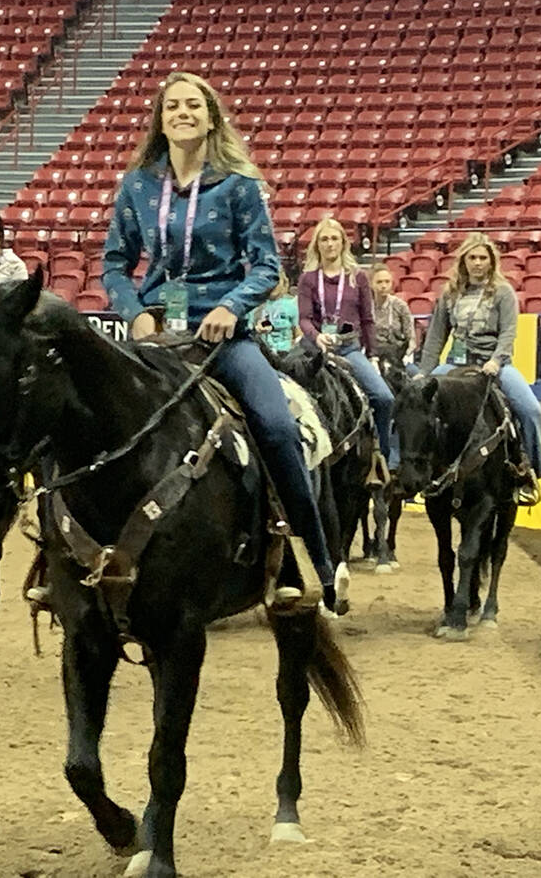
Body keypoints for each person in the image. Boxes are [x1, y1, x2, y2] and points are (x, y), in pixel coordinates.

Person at [101, 70, 347, 614]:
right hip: (159, 335)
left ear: (211, 117)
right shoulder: (137, 185)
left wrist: (229, 307)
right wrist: (135, 313)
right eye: (172, 107)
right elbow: (114, 265)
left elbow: (265, 266)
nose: (182, 113)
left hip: (223, 336)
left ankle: (316, 562)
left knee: (278, 428)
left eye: (193, 105)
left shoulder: (239, 186)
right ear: (159, 121)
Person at [417, 231, 541, 506]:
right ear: (463, 261)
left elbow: (509, 332)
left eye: (482, 258)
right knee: (417, 405)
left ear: (491, 261)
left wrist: (496, 360)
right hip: (455, 364)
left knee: (530, 410)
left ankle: (529, 473)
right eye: (472, 258)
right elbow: (436, 336)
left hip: (494, 365)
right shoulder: (449, 294)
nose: (477, 263)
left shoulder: (503, 292)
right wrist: (424, 373)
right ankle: (413, 470)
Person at [297, 216, 395, 462]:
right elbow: (304, 319)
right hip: (314, 350)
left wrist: (372, 355)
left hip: (348, 349)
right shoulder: (308, 278)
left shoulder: (358, 277)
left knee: (384, 398)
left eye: (334, 239)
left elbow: (368, 319)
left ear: (343, 243)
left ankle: (383, 458)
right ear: (317, 244)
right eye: (324, 239)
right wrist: (317, 337)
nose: (330, 244)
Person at [371, 262, 418, 374]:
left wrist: (406, 355)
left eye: (387, 282)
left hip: (397, 355)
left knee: (415, 374)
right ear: (371, 284)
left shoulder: (400, 305)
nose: (383, 286)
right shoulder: (365, 307)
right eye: (379, 282)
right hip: (373, 355)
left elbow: (411, 338)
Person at [251, 271, 299, 354]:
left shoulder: (291, 305)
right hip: (262, 353)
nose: (273, 285)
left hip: (285, 353)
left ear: (283, 282)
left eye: (276, 280)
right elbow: (249, 331)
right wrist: (257, 330)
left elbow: (298, 333)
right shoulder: (255, 306)